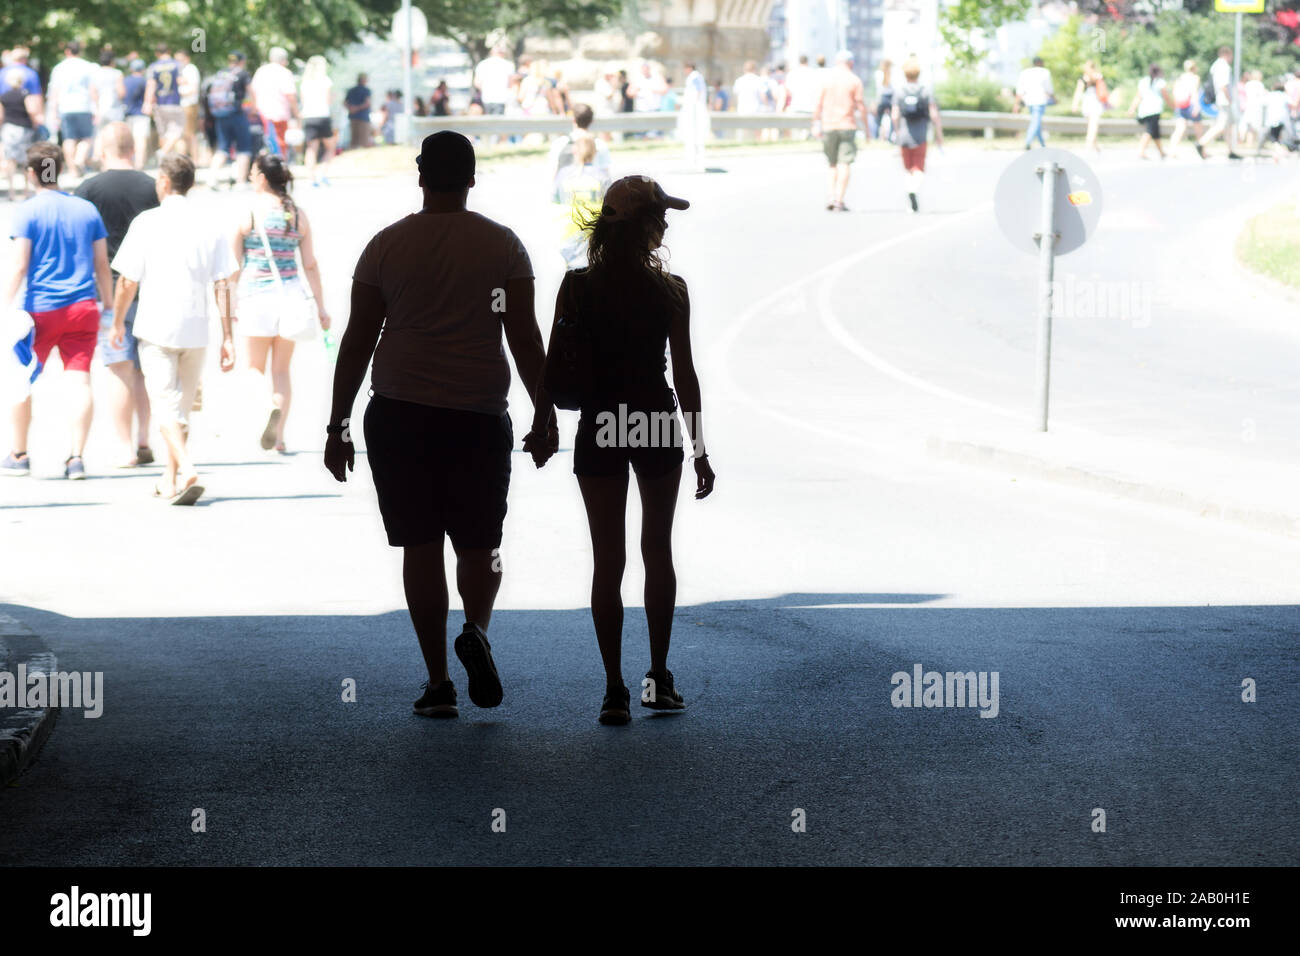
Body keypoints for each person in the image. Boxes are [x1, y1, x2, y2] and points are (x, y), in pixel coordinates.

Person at [324, 131, 557, 719]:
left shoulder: (386, 246)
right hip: (479, 414)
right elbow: (524, 337)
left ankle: (437, 683)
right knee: (483, 544)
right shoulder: (502, 246)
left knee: (420, 546)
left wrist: (337, 423)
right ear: (472, 178)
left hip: (400, 412)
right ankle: (476, 627)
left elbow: (357, 340)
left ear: (421, 175)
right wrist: (545, 411)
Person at [529, 174, 714, 725]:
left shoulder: (577, 286)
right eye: (660, 216)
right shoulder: (671, 289)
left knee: (607, 558)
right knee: (657, 549)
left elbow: (552, 358)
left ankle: (614, 690)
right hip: (655, 419)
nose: (665, 224)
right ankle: (658, 677)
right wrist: (700, 448)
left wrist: (543, 422)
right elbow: (684, 375)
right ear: (643, 225)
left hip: (601, 420)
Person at [110, 154, 236, 504]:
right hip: (197, 328)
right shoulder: (208, 224)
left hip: (156, 326)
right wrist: (228, 336)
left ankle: (187, 466)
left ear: (164, 181)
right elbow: (223, 284)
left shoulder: (147, 222)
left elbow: (127, 282)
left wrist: (118, 321)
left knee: (164, 405)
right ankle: (170, 478)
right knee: (178, 407)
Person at [2, 142, 112, 479]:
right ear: (59, 168)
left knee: (21, 380)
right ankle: (76, 457)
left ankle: (19, 454)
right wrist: (108, 306)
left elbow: (20, 264)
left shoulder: (28, 211)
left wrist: (4, 304)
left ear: (31, 173)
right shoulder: (86, 210)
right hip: (81, 308)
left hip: (41, 310)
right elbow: (101, 265)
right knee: (79, 380)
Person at [229, 154, 329, 453]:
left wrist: (230, 303)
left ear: (261, 178)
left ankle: (266, 407)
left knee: (253, 369)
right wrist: (321, 308)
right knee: (282, 371)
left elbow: (234, 265)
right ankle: (280, 437)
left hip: (256, 297)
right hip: (291, 298)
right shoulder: (297, 215)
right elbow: (310, 265)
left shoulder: (248, 212)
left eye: (252, 174)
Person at [75, 122, 158, 468]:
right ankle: (144, 440)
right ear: (132, 148)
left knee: (119, 368)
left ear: (104, 148)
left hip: (109, 288)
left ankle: (125, 447)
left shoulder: (88, 189)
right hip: (152, 287)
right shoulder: (154, 186)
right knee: (146, 369)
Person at [812, 50, 867, 212]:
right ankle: (839, 199)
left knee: (832, 164)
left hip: (828, 125)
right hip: (846, 125)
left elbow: (818, 104)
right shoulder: (854, 80)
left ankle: (831, 196)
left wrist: (815, 124)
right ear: (851, 63)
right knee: (844, 163)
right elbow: (861, 106)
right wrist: (867, 129)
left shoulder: (826, 80)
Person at [891, 57, 944, 213]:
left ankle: (910, 190)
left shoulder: (900, 92)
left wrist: (896, 131)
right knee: (918, 167)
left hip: (904, 134)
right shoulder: (925, 91)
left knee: (908, 168)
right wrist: (939, 134)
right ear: (918, 74)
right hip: (920, 134)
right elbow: (934, 114)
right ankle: (913, 190)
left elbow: (894, 115)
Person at [552, 136, 610, 269]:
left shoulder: (563, 174)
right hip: (593, 233)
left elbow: (554, 200)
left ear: (574, 151)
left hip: (568, 233)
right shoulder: (602, 176)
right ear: (595, 153)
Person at [48, 40, 99, 180]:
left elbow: (54, 92)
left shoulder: (59, 68)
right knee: (87, 138)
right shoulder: (87, 67)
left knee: (68, 139)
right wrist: (97, 108)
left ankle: (72, 170)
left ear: (67, 51)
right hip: (84, 106)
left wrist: (53, 111)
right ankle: (79, 158)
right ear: (80, 51)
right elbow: (93, 90)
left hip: (65, 107)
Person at [206, 52, 253, 187]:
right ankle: (240, 181)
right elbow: (251, 92)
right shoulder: (242, 74)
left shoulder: (221, 73)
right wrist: (253, 109)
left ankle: (212, 178)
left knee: (222, 148)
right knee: (243, 148)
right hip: (237, 114)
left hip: (221, 115)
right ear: (242, 61)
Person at [1, 66, 43, 201]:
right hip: (24, 128)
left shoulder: (4, 96)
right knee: (25, 159)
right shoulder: (25, 94)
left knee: (10, 160)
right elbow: (31, 111)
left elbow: (1, 115)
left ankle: (12, 191)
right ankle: (26, 191)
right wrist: (36, 123)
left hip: (8, 128)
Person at [250, 47, 298, 159]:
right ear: (284, 60)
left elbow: (252, 92)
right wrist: (296, 114)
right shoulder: (284, 72)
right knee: (279, 143)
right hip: (278, 114)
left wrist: (253, 109)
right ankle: (279, 168)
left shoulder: (260, 71)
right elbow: (290, 95)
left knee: (266, 142)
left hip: (261, 114)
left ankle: (269, 166)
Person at [1196, 46, 1240, 160]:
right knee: (1221, 125)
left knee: (1228, 126)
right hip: (1225, 100)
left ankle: (1230, 150)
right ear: (1227, 54)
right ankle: (1201, 143)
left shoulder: (1215, 66)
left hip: (1221, 99)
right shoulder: (1223, 66)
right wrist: (1229, 99)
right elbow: (1223, 85)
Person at [549, 103, 613, 182]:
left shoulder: (560, 143)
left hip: (567, 191)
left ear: (573, 120)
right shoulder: (599, 144)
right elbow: (605, 176)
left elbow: (554, 175)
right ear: (592, 121)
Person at [299, 55, 335, 187]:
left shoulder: (305, 82)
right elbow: (328, 101)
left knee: (311, 149)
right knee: (330, 147)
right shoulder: (326, 80)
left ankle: (311, 178)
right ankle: (323, 174)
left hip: (308, 117)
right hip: (323, 116)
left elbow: (302, 102)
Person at [144, 43, 185, 156]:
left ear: (157, 53)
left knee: (163, 133)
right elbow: (181, 81)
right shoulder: (177, 65)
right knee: (177, 131)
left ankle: (165, 158)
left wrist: (147, 103)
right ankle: (163, 153)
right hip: (174, 102)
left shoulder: (153, 67)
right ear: (169, 51)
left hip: (160, 103)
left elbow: (151, 85)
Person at [1130, 64, 1172, 160]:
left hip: (1144, 110)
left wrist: (1132, 108)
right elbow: (1166, 97)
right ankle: (1141, 151)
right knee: (1150, 131)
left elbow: (1138, 96)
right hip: (1154, 110)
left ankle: (1161, 152)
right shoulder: (1160, 82)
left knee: (1155, 132)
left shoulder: (1143, 81)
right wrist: (1173, 106)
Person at [91, 48, 126, 163]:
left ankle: (98, 156)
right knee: (116, 134)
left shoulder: (95, 73)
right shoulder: (117, 73)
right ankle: (115, 157)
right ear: (112, 61)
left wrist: (97, 107)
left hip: (100, 109)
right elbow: (121, 92)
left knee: (100, 133)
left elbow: (92, 92)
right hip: (114, 108)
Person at [678, 61, 710, 170]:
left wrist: (693, 107)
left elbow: (697, 91)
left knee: (695, 137)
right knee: (694, 138)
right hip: (694, 111)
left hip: (695, 112)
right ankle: (694, 162)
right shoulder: (696, 77)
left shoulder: (694, 77)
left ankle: (696, 163)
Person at [1071, 60, 1107, 155]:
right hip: (1094, 102)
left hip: (1088, 102)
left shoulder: (1085, 78)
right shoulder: (1098, 76)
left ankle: (1090, 144)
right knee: (1093, 125)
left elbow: (1078, 92)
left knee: (1092, 124)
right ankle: (1094, 145)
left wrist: (1075, 104)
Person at [1169, 60, 1203, 154]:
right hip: (1191, 104)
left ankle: (1172, 150)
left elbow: (1175, 91)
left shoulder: (1180, 78)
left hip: (1181, 105)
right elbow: (1194, 92)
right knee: (1198, 129)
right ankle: (1202, 150)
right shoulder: (1195, 78)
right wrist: (1196, 105)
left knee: (1180, 129)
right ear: (1194, 68)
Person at [123, 58, 149, 169]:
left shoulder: (125, 80)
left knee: (129, 140)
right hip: (141, 114)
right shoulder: (145, 81)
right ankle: (139, 164)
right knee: (140, 139)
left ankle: (129, 163)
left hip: (127, 114)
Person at [175, 49, 201, 159]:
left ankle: (195, 159)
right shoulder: (181, 70)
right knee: (181, 135)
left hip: (189, 104)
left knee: (189, 134)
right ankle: (184, 158)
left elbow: (194, 89)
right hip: (181, 105)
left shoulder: (191, 69)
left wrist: (178, 93)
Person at [344, 73, 372, 148]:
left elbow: (345, 103)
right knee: (364, 141)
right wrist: (357, 108)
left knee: (354, 140)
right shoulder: (366, 90)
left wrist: (351, 109)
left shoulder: (351, 90)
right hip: (363, 118)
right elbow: (367, 103)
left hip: (353, 117)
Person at [874, 58, 894, 142]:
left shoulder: (878, 74)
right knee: (892, 119)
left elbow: (878, 89)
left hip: (882, 97)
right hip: (891, 97)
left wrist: (877, 101)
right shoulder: (892, 74)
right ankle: (890, 138)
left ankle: (875, 137)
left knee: (878, 119)